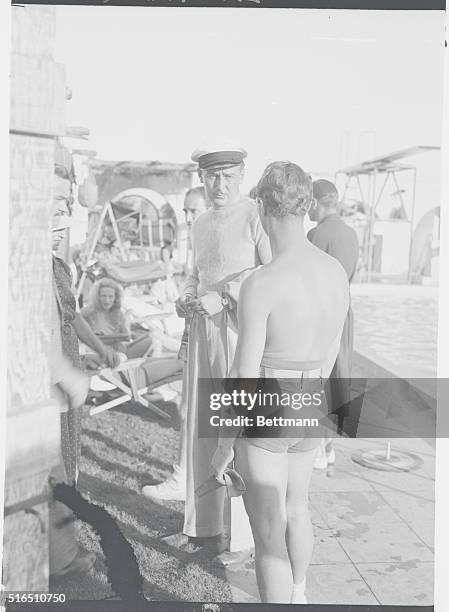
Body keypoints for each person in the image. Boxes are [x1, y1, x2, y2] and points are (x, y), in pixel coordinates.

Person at [211, 162, 349, 603]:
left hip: (270, 398)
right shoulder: (334, 273)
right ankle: (300, 593)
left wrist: (222, 442)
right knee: (298, 508)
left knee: (268, 532)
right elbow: (329, 352)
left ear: (261, 209)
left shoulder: (263, 283)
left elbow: (244, 376)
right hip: (311, 397)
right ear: (306, 207)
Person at [177, 143, 271, 561]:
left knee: (237, 430)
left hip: (239, 334)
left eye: (227, 176)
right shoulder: (199, 223)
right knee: (201, 428)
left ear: (241, 175)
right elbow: (196, 273)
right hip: (203, 331)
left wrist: (228, 296)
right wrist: (185, 296)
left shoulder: (254, 214)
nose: (219, 184)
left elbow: (270, 274)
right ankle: (204, 529)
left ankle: (245, 541)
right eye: (212, 176)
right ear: (201, 178)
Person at [142, 187, 208, 502]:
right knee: (187, 408)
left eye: (193, 210)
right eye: (185, 210)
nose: (187, 216)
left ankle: (185, 479)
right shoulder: (198, 240)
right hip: (192, 330)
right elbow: (193, 278)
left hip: (209, 335)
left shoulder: (213, 238)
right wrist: (184, 298)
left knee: (194, 409)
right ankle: (186, 477)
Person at [308, 179, 359, 469]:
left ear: (314, 202)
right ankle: (329, 448)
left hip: (322, 314)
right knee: (337, 379)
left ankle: (316, 448)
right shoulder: (350, 234)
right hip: (345, 311)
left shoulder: (318, 233)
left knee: (317, 379)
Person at [81, 278, 155, 358]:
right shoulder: (87, 312)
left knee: (153, 339)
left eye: (110, 297)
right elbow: (82, 337)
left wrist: (125, 337)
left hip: (119, 350)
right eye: (103, 296)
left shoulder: (118, 313)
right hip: (96, 352)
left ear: (115, 298)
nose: (107, 300)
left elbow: (126, 336)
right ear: (97, 297)